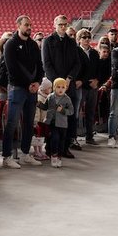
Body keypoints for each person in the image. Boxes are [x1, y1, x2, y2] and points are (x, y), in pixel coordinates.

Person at [1, 15, 45, 168]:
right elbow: (11, 69)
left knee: (29, 122)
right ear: (18, 25)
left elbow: (40, 66)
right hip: (17, 88)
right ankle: (7, 156)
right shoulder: (10, 44)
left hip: (32, 89)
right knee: (12, 123)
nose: (29, 27)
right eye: (26, 24)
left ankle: (25, 154)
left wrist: (38, 82)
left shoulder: (33, 45)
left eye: (30, 24)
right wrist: (28, 84)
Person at [41, 15, 81, 155]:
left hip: (69, 85)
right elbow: (47, 64)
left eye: (65, 24)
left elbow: (77, 63)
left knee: (69, 116)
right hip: (56, 85)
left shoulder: (71, 42)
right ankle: (50, 148)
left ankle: (65, 148)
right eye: (60, 24)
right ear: (54, 25)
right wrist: (58, 83)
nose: (63, 27)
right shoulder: (48, 41)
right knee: (53, 117)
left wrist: (69, 79)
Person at [77, 29, 100, 145]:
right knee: (76, 113)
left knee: (91, 112)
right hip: (81, 86)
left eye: (88, 37)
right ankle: (73, 138)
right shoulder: (76, 52)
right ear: (79, 39)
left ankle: (89, 136)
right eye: (83, 37)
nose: (86, 39)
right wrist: (85, 82)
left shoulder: (95, 53)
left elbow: (98, 69)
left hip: (93, 87)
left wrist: (97, 81)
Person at [45, 78, 74, 168]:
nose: (60, 89)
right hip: (51, 123)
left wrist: (63, 110)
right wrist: (40, 105)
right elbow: (46, 106)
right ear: (54, 87)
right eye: (58, 87)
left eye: (63, 87)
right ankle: (53, 156)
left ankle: (59, 157)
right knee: (54, 139)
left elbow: (71, 111)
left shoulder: (67, 99)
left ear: (66, 88)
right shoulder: (50, 97)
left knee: (61, 141)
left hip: (62, 124)